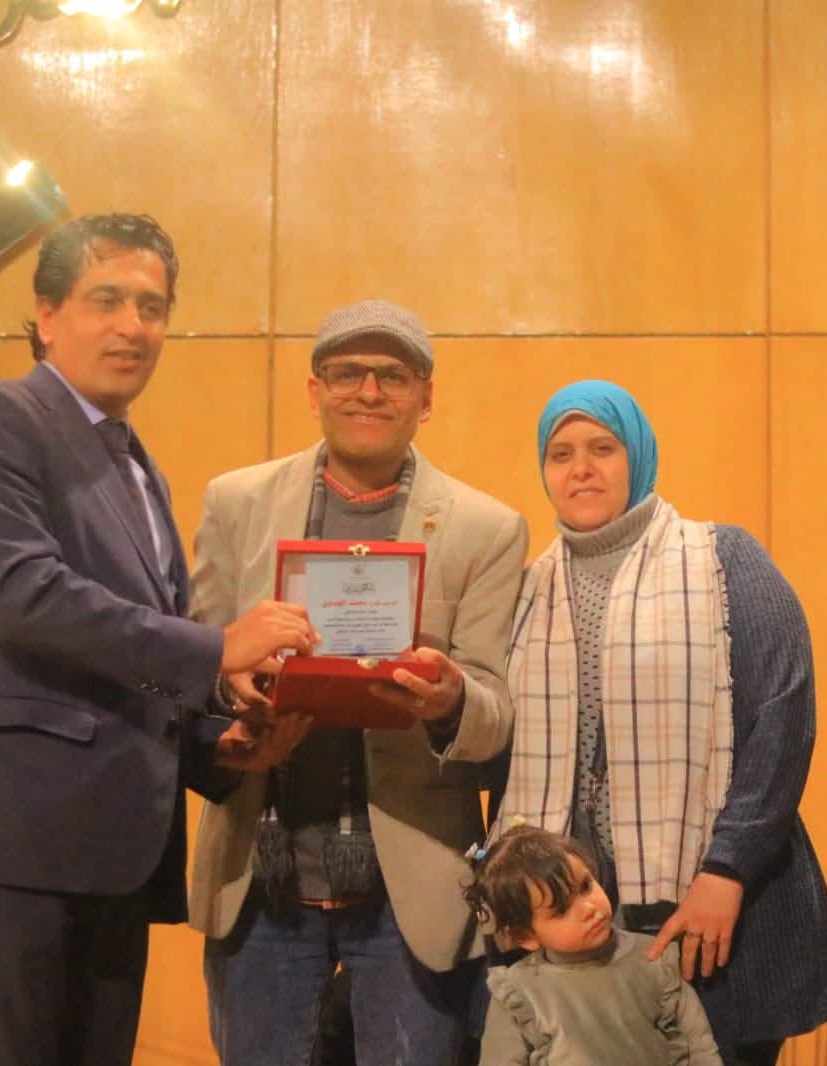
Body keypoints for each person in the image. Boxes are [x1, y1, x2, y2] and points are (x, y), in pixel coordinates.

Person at [0, 213, 317, 1065]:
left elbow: (126, 663)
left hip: (112, 854)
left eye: (152, 307)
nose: (132, 326)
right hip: (3, 842)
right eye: (106, 300)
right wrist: (216, 650)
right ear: (46, 316)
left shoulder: (136, 465)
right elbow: (25, 597)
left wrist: (216, 743)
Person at [187, 298, 529, 1065]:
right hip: (260, 876)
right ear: (314, 390)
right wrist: (235, 692)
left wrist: (451, 701)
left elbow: (497, 711)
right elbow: (193, 665)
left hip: (412, 893)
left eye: (392, 375)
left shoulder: (485, 527)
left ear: (424, 398)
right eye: (347, 373)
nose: (368, 391)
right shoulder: (236, 503)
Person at [492, 380, 827, 1066]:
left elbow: (782, 718)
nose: (581, 468)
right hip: (579, 927)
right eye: (561, 454)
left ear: (638, 454)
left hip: (714, 912)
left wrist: (728, 868)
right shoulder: (525, 589)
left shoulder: (723, 559)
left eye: (602, 448)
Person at [465, 825, 723, 1065]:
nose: (589, 908)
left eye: (586, 886)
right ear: (525, 936)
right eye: (561, 910)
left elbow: (701, 1048)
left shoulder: (654, 958)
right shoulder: (519, 992)